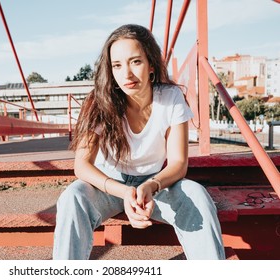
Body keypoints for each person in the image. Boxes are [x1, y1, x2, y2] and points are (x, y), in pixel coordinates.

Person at [53, 24, 225, 260]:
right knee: (73, 197)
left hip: (155, 184)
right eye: (117, 65)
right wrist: (125, 192)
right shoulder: (99, 102)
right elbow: (81, 166)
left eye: (135, 62)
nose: (127, 74)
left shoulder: (171, 98)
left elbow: (178, 163)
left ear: (151, 64)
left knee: (196, 194)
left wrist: (150, 186)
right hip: (110, 185)